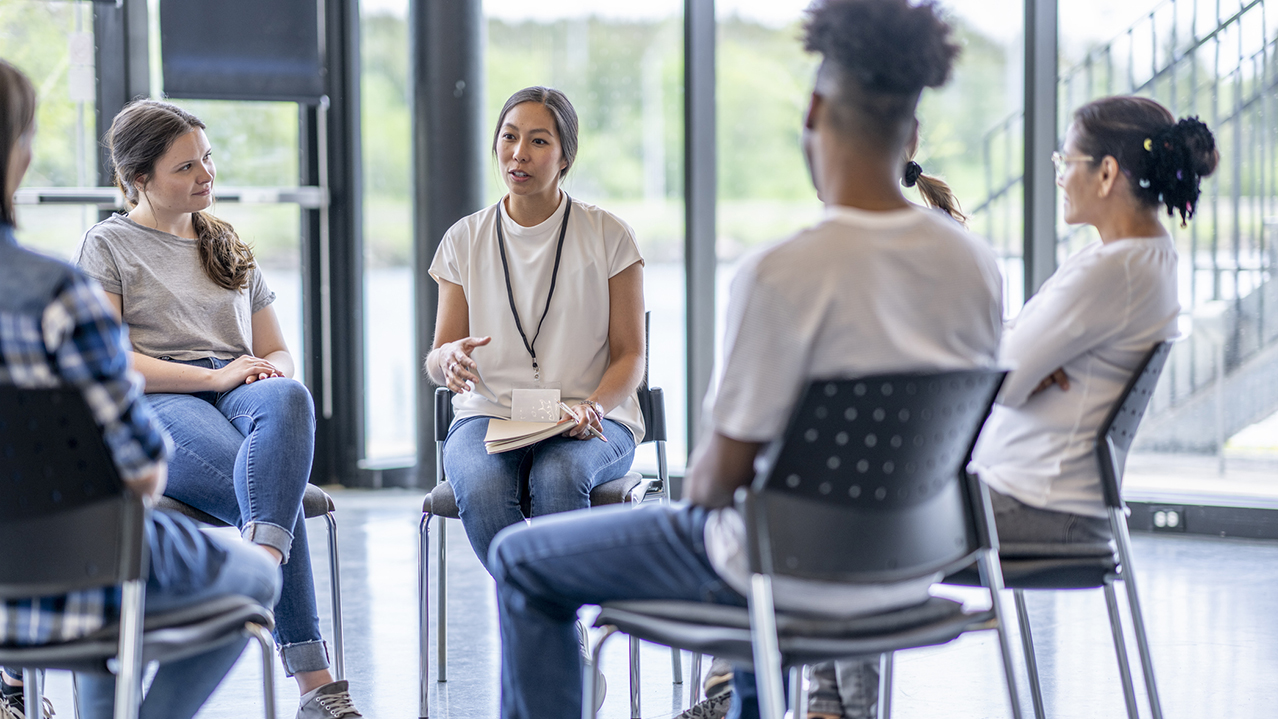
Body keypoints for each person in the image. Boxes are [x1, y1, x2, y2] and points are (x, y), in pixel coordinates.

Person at [486, 2, 1003, 719]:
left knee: (521, 556)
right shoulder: (977, 267)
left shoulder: (782, 272)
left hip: (777, 567)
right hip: (908, 567)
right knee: (765, 531)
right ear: (912, 134)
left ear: (815, 113)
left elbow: (717, 479)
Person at [0, 59, 281, 719]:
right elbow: (141, 471)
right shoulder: (57, 296)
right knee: (255, 573)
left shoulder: (218, 248)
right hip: (81, 565)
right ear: (18, 154)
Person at [71, 99, 361, 719]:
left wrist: (263, 370)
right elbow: (115, 362)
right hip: (162, 398)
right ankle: (317, 685)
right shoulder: (109, 243)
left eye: (207, 159)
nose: (205, 175)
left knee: (289, 395)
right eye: (185, 167)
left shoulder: (223, 242)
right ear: (138, 177)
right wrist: (220, 374)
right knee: (271, 495)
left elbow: (277, 351)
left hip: (241, 391)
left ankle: (262, 566)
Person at [970, 96, 1217, 544]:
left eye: (1066, 160)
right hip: (1043, 499)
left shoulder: (1114, 270)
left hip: (1033, 504)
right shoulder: (1145, 258)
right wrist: (1023, 356)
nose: (1061, 176)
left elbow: (999, 382)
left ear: (1105, 173)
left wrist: (1015, 356)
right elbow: (1012, 364)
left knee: (875, 515)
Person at [425, 86, 646, 573]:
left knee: (560, 477)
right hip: (491, 411)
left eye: (539, 141)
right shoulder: (464, 238)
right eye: (509, 137)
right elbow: (440, 352)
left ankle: (546, 625)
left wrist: (592, 407)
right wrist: (448, 360)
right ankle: (547, 621)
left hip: (589, 414)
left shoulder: (610, 236)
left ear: (565, 156)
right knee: (482, 488)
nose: (519, 154)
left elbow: (631, 355)